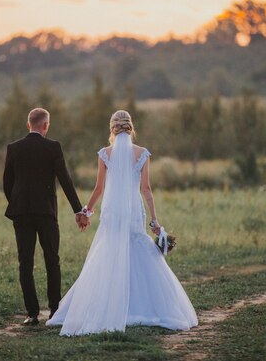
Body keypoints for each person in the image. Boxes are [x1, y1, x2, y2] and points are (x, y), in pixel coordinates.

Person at [47, 110, 197, 335]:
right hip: (133, 211)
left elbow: (99, 188)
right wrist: (155, 220)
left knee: (110, 250)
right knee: (137, 247)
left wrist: (86, 211)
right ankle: (142, 306)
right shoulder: (142, 154)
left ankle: (109, 304)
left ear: (112, 129)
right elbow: (146, 189)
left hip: (112, 211)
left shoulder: (105, 154)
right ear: (131, 127)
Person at [3, 107, 89, 326]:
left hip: (21, 212)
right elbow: (65, 180)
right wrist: (78, 210)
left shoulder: (13, 148)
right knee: (52, 260)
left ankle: (31, 314)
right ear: (45, 125)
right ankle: (54, 311)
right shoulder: (53, 147)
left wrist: (17, 202)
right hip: (45, 212)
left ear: (28, 124)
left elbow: (7, 183)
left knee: (25, 262)